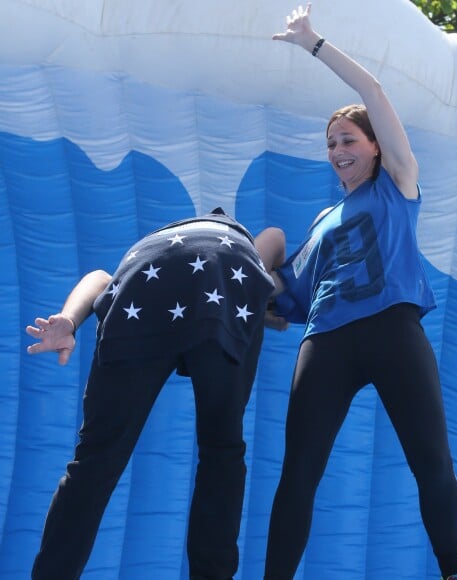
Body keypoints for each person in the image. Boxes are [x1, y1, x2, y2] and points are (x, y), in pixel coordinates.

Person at [262, 5, 457, 580]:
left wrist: (313, 44)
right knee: (298, 474)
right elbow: (278, 307)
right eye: (330, 143)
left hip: (393, 330)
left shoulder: (396, 184)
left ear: (373, 146)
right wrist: (249, 262)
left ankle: (456, 573)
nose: (337, 149)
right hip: (327, 342)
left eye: (347, 138)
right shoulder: (320, 222)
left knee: (432, 462)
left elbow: (373, 87)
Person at [27, 207, 287, 580]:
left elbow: (101, 278)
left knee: (95, 460)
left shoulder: (154, 246)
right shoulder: (232, 237)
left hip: (140, 289)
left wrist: (69, 319)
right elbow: (275, 234)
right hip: (226, 273)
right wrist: (262, 294)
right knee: (222, 451)